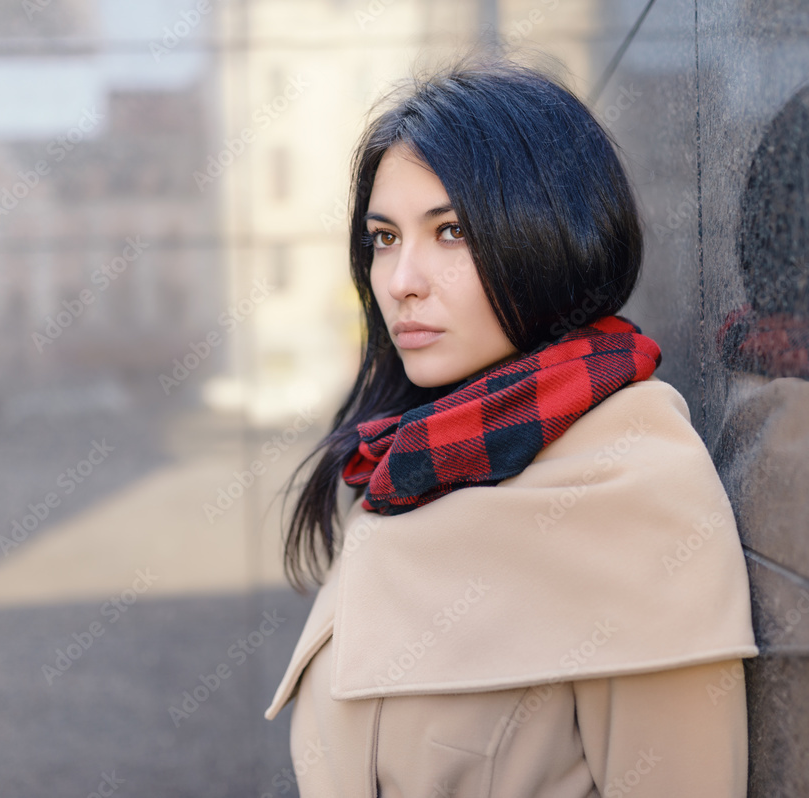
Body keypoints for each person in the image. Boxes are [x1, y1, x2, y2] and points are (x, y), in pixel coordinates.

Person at [263, 57, 759, 798]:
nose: (402, 280)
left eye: (452, 231)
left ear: (553, 233)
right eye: (385, 238)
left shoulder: (640, 495)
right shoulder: (409, 460)